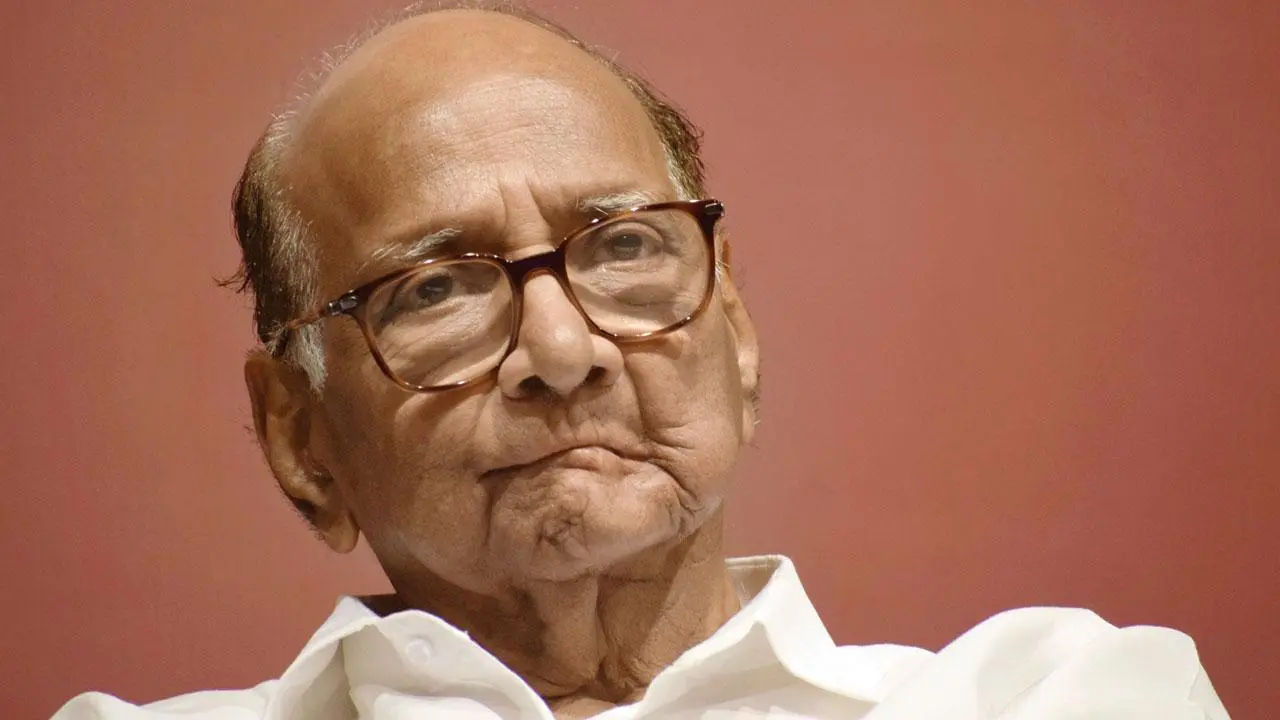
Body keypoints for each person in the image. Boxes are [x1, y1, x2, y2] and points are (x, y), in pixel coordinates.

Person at [54, 4, 1230, 719]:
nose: (561, 354)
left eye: (623, 248)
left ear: (738, 331)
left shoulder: (1060, 699)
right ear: (300, 439)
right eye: (437, 287)